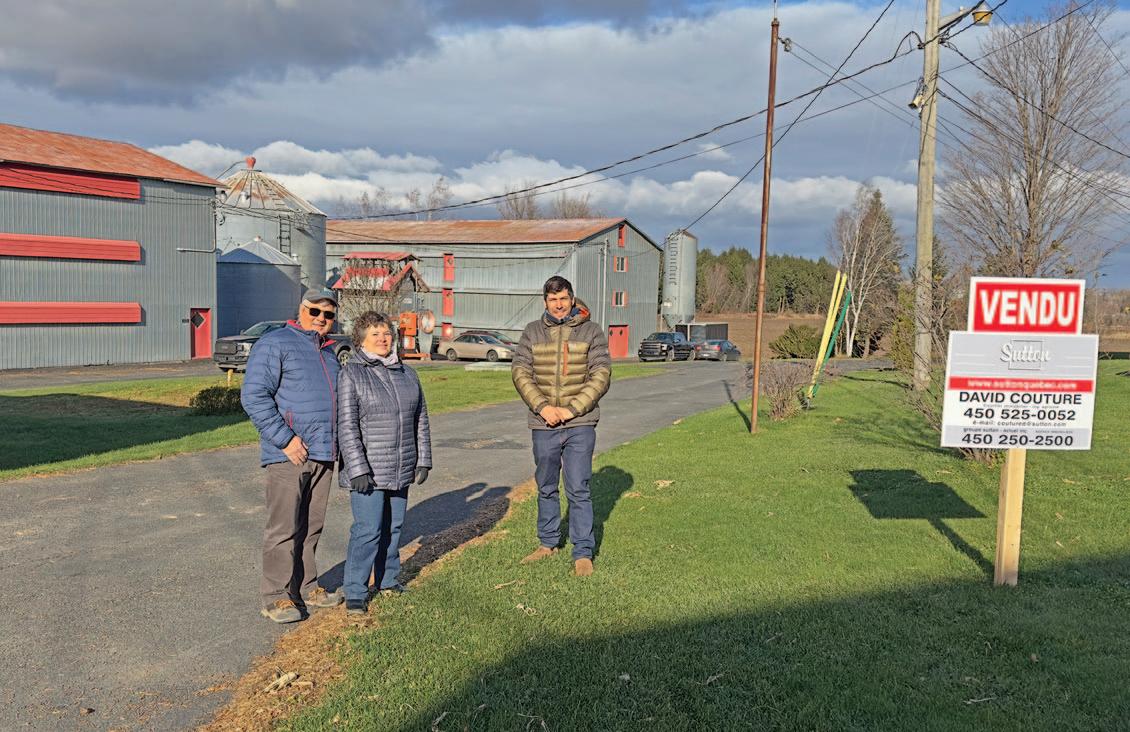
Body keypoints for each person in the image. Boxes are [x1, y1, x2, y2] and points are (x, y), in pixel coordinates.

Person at [241, 288, 345, 623]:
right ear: (301, 309)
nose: (321, 319)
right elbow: (254, 395)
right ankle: (276, 597)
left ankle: (306, 586)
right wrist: (285, 440)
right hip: (290, 453)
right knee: (283, 528)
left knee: (311, 526)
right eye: (315, 311)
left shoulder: (329, 352)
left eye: (328, 315)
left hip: (324, 451)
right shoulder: (275, 343)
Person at [512, 276, 611, 576]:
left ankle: (583, 552)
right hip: (544, 423)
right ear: (545, 301)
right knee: (546, 486)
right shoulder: (532, 332)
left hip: (580, 422)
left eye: (564, 298)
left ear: (572, 299)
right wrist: (543, 407)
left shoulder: (591, 331)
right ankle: (548, 543)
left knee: (578, 487)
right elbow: (520, 372)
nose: (559, 304)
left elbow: (601, 375)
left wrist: (571, 409)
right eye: (553, 299)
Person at [337, 311, 432, 615]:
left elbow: (420, 419)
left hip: (401, 465)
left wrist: (423, 459)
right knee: (368, 530)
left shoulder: (407, 374)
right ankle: (355, 590)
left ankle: (387, 580)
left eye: (386, 333)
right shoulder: (352, 374)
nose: (382, 339)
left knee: (394, 527)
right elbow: (347, 426)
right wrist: (357, 468)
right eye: (375, 334)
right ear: (361, 340)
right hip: (369, 470)